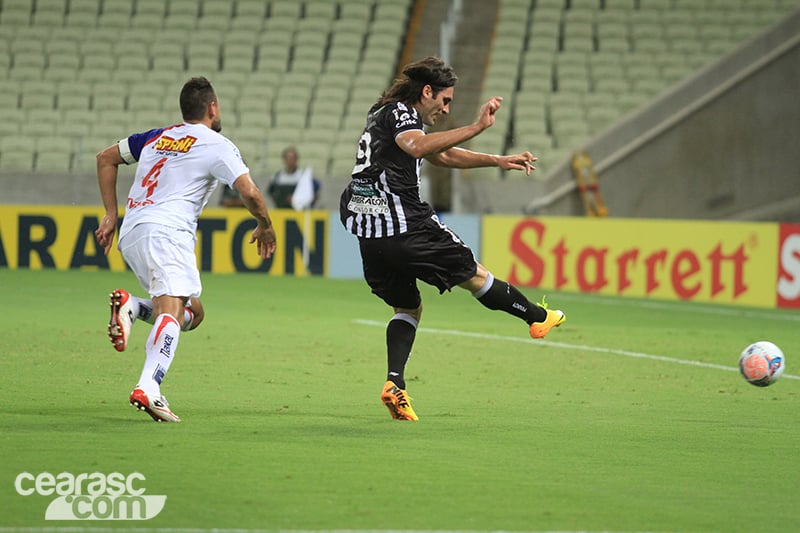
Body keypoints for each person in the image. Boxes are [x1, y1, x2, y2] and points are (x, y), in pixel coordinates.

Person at [339, 56, 566, 421]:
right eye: (444, 101)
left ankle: (395, 384)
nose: (445, 109)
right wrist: (477, 127)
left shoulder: (383, 113)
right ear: (426, 91)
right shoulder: (401, 114)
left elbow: (440, 154)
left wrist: (496, 160)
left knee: (408, 308)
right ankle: (538, 318)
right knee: (475, 275)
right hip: (406, 225)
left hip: (371, 233)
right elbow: (417, 147)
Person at [95, 76, 276, 423]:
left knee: (193, 312)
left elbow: (105, 158)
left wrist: (111, 214)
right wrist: (265, 225)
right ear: (212, 108)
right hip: (166, 232)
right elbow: (250, 193)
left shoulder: (155, 136)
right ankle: (149, 386)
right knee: (172, 310)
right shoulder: (217, 144)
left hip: (133, 231)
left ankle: (132, 307)